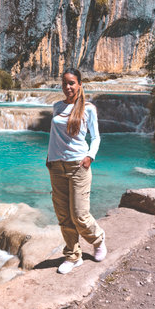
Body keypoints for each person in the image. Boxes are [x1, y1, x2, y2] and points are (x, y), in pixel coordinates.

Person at [46, 68, 107, 274]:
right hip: (56, 166)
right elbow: (54, 136)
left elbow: (96, 137)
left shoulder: (88, 108)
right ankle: (72, 256)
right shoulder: (57, 107)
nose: (68, 87)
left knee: (80, 214)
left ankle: (98, 240)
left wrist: (90, 156)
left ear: (79, 84)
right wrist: (49, 158)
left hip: (78, 166)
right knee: (63, 215)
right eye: (64, 83)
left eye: (71, 83)